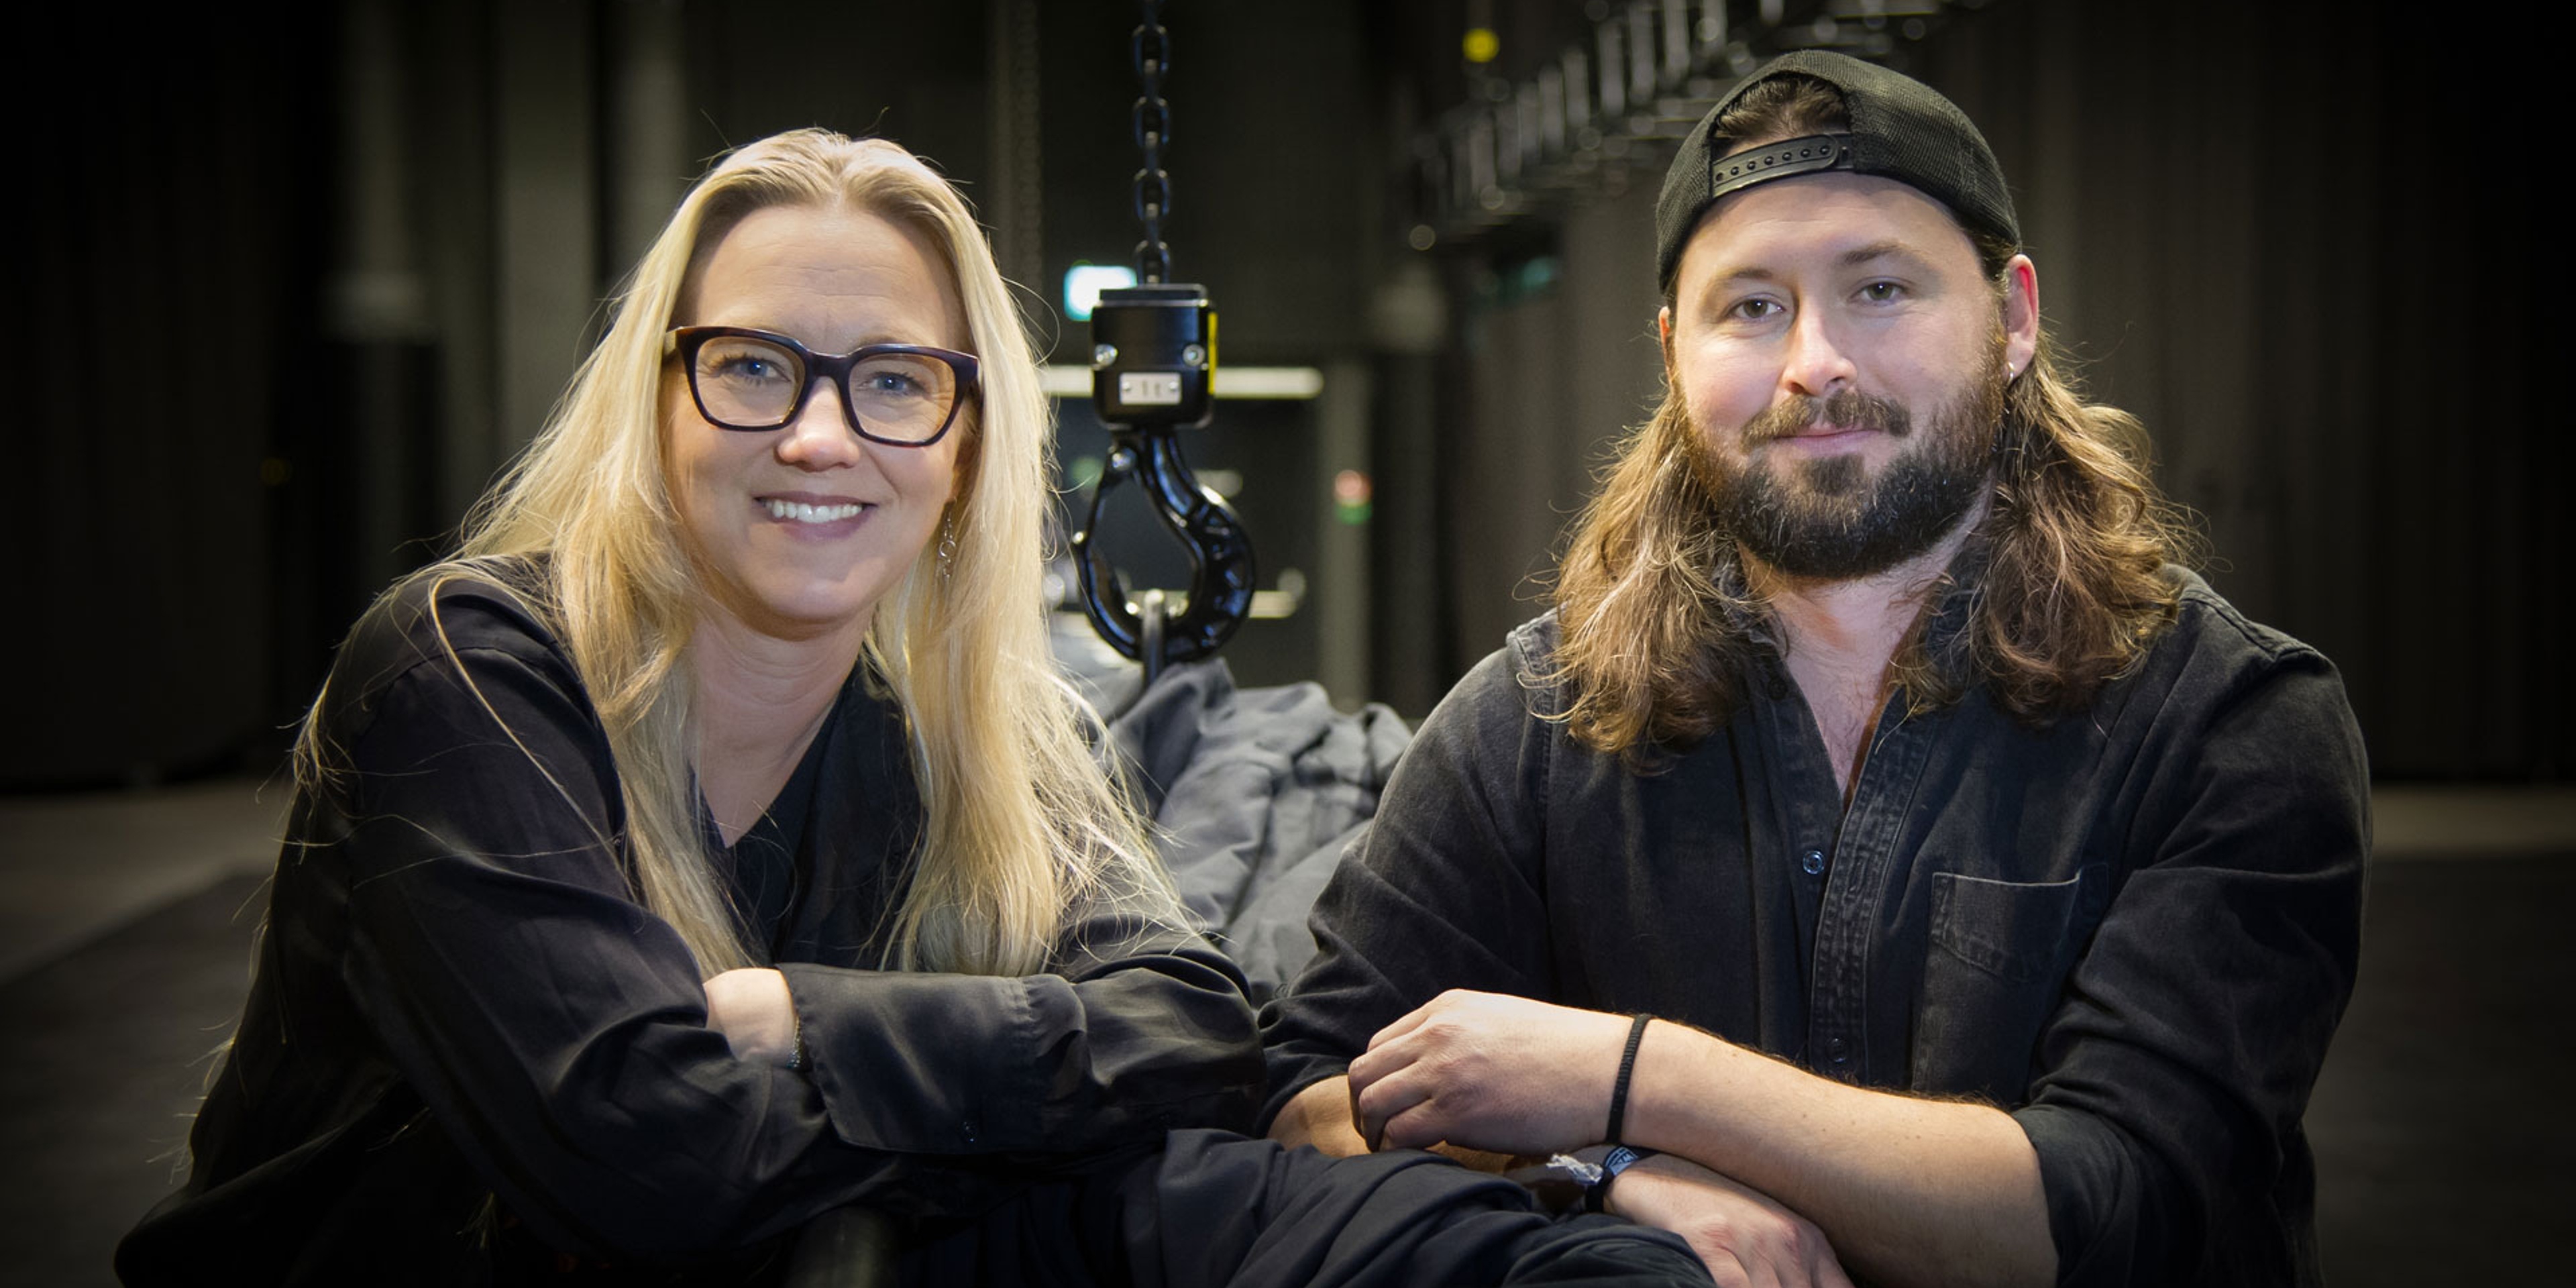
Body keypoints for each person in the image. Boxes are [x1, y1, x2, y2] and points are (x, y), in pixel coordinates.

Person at [117, 129, 1710, 1288]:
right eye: (754, 368)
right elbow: (644, 1165)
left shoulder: (963, 739)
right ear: (656, 404)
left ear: (963, 449)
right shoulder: (464, 671)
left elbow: (1193, 1027)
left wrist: (801, 1022)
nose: (821, 436)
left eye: (893, 382)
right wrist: (1019, 1097)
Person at [1262, 52, 2366, 1288]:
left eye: (1881, 288)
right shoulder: (1530, 723)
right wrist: (1600, 1172)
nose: (1815, 363)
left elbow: (2122, 1211)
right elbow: (1305, 1099)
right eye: (1752, 306)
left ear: (2012, 318)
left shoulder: (2232, 723)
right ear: (1673, 349)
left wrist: (1630, 1082)